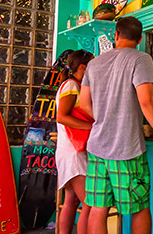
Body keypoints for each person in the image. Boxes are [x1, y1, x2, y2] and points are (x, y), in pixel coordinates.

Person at [78, 16, 153, 234]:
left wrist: (105, 117)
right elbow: (147, 100)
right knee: (139, 208)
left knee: (98, 207)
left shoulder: (94, 64)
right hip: (126, 149)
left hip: (97, 149)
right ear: (140, 38)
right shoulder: (141, 59)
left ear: (116, 35)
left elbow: (84, 103)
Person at [55, 50, 95, 234]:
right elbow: (62, 117)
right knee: (90, 203)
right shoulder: (72, 85)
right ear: (83, 67)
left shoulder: (74, 85)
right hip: (74, 152)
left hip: (69, 150)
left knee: (71, 200)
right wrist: (91, 126)